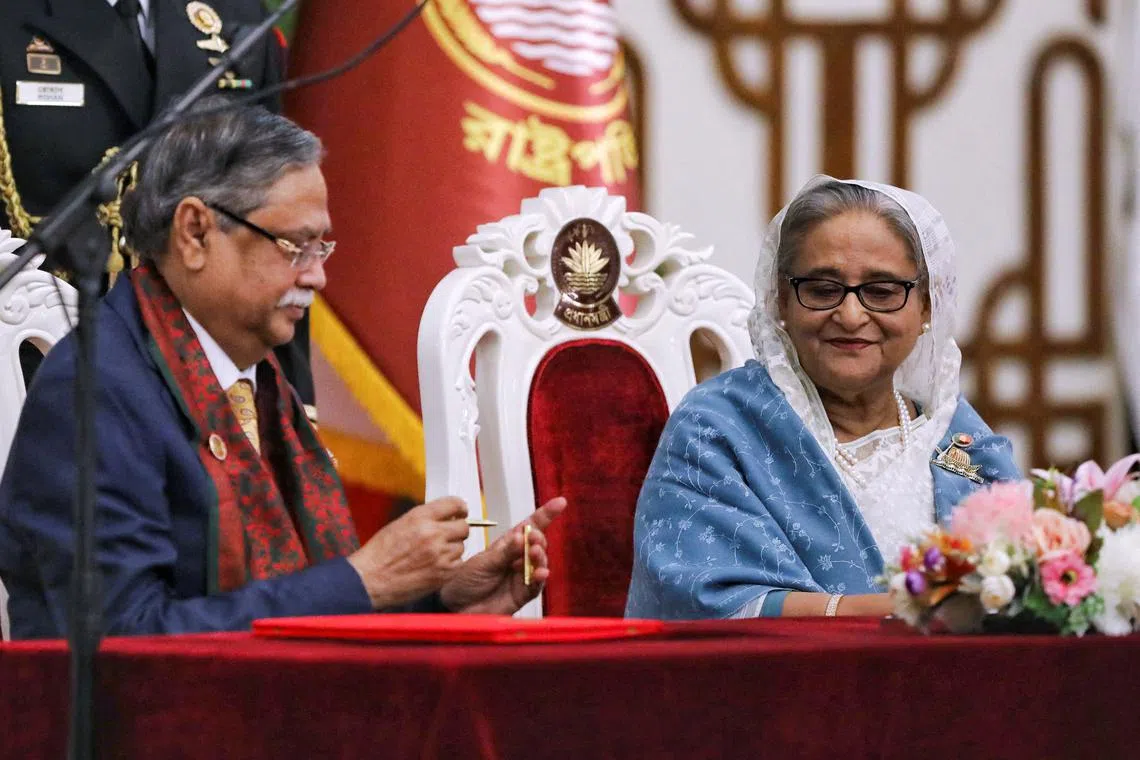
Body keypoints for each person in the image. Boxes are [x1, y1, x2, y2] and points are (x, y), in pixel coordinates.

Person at [0, 102, 566, 639]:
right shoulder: (97, 389)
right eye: (296, 246)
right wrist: (364, 581)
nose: (317, 277)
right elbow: (123, 641)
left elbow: (295, 597)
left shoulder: (257, 379)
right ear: (195, 233)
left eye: (322, 248)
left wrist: (440, 605)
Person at [625, 176, 1020, 620]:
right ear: (781, 301)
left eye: (882, 292)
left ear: (926, 306)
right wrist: (892, 612)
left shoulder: (957, 438)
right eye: (822, 290)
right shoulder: (717, 429)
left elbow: (1024, 588)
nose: (850, 315)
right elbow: (699, 600)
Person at [0, 0, 316, 412]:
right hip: (33, 378)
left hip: (204, 388)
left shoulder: (238, 13)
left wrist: (294, 406)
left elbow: (276, 224)